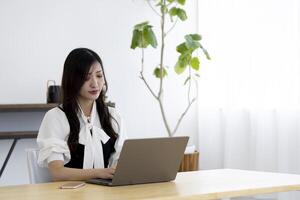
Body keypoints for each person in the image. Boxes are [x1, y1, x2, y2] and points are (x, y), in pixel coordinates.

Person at [37, 48, 127, 181]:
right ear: (72, 80)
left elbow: (122, 161)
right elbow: (57, 172)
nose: (95, 83)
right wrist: (99, 173)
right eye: (86, 77)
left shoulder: (113, 116)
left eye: (99, 75)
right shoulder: (55, 117)